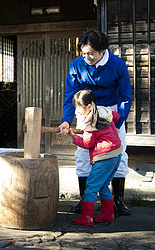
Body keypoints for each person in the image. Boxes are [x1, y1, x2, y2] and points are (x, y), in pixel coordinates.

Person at [59, 29, 132, 215]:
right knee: (83, 153)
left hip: (111, 112)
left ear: (102, 51)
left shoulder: (117, 65)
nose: (87, 57)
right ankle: (85, 200)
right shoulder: (76, 65)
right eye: (83, 53)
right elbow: (70, 95)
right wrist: (67, 120)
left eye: (91, 53)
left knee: (118, 152)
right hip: (86, 111)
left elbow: (125, 96)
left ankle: (118, 200)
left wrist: (116, 124)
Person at [65, 90, 122, 226]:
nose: (77, 111)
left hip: (104, 157)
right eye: (76, 107)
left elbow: (87, 143)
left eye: (79, 107)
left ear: (89, 106)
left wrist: (73, 137)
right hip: (116, 154)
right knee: (103, 186)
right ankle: (108, 215)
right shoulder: (104, 111)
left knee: (90, 187)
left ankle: (86, 217)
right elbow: (116, 116)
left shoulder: (90, 121)